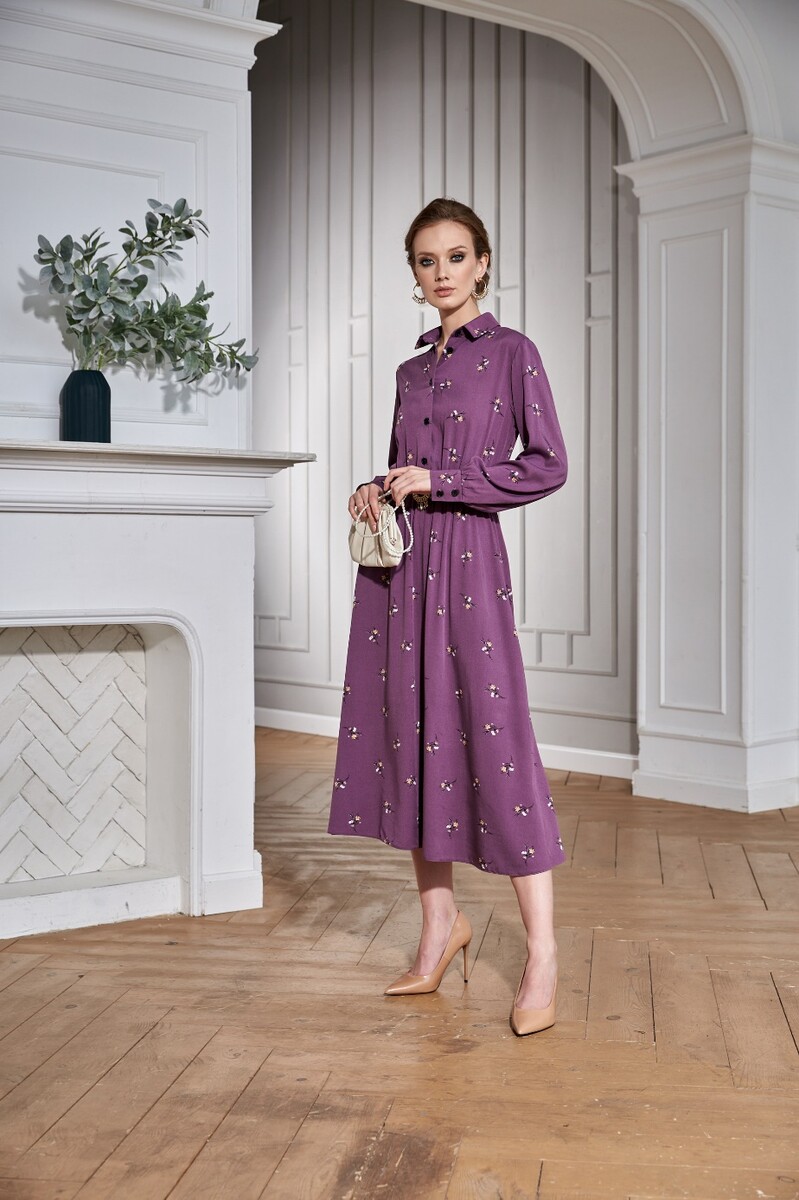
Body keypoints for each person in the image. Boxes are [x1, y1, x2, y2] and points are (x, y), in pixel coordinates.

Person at [328, 198, 568, 1036]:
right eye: (426, 260)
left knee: (494, 742)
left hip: (469, 561)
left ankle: (541, 955)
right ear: (414, 271)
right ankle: (439, 928)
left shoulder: (512, 353)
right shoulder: (408, 372)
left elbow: (547, 465)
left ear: (482, 263)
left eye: (456, 257)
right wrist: (379, 485)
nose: (441, 273)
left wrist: (445, 482)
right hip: (401, 571)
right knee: (410, 734)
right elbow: (410, 464)